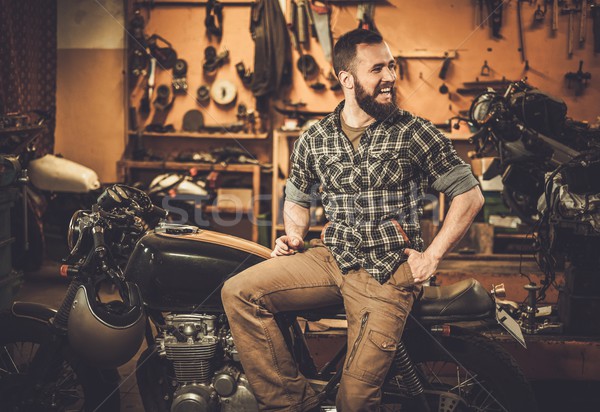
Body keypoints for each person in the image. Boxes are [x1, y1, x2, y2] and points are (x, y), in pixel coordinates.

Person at [222, 28, 484, 411]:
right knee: (238, 292)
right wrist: (293, 236)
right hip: (330, 257)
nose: (391, 77)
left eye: (392, 66)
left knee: (356, 399)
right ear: (346, 78)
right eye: (378, 68)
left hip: (388, 270)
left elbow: (470, 193)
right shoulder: (316, 137)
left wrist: (432, 256)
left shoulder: (414, 133)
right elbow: (296, 196)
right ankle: (295, 404)